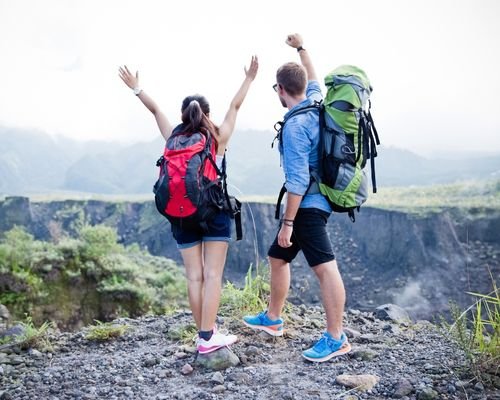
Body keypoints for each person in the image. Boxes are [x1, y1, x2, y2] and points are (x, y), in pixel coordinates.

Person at [119, 56, 258, 354]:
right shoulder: (217, 136)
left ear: (183, 115)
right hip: (214, 211)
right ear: (207, 113)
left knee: (194, 276)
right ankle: (208, 338)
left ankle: (204, 333)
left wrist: (136, 88)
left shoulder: (174, 136)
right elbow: (235, 107)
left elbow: (155, 109)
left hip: (180, 214)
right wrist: (248, 79)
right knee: (212, 275)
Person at [242, 34, 351, 362]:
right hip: (319, 199)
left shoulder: (294, 127)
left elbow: (298, 181)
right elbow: (313, 74)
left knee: (325, 269)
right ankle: (273, 319)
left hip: (307, 207)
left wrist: (288, 223)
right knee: (278, 258)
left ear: (280, 89)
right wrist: (301, 48)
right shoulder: (317, 100)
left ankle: (336, 338)